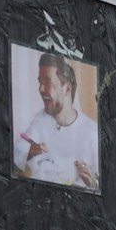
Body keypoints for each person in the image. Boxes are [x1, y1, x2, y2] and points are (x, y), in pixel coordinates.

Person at [16, 53, 98, 190]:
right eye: (39, 82)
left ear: (67, 89)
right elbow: (17, 150)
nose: (40, 89)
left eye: (47, 82)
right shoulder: (40, 120)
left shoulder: (92, 133)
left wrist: (93, 183)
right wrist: (28, 153)